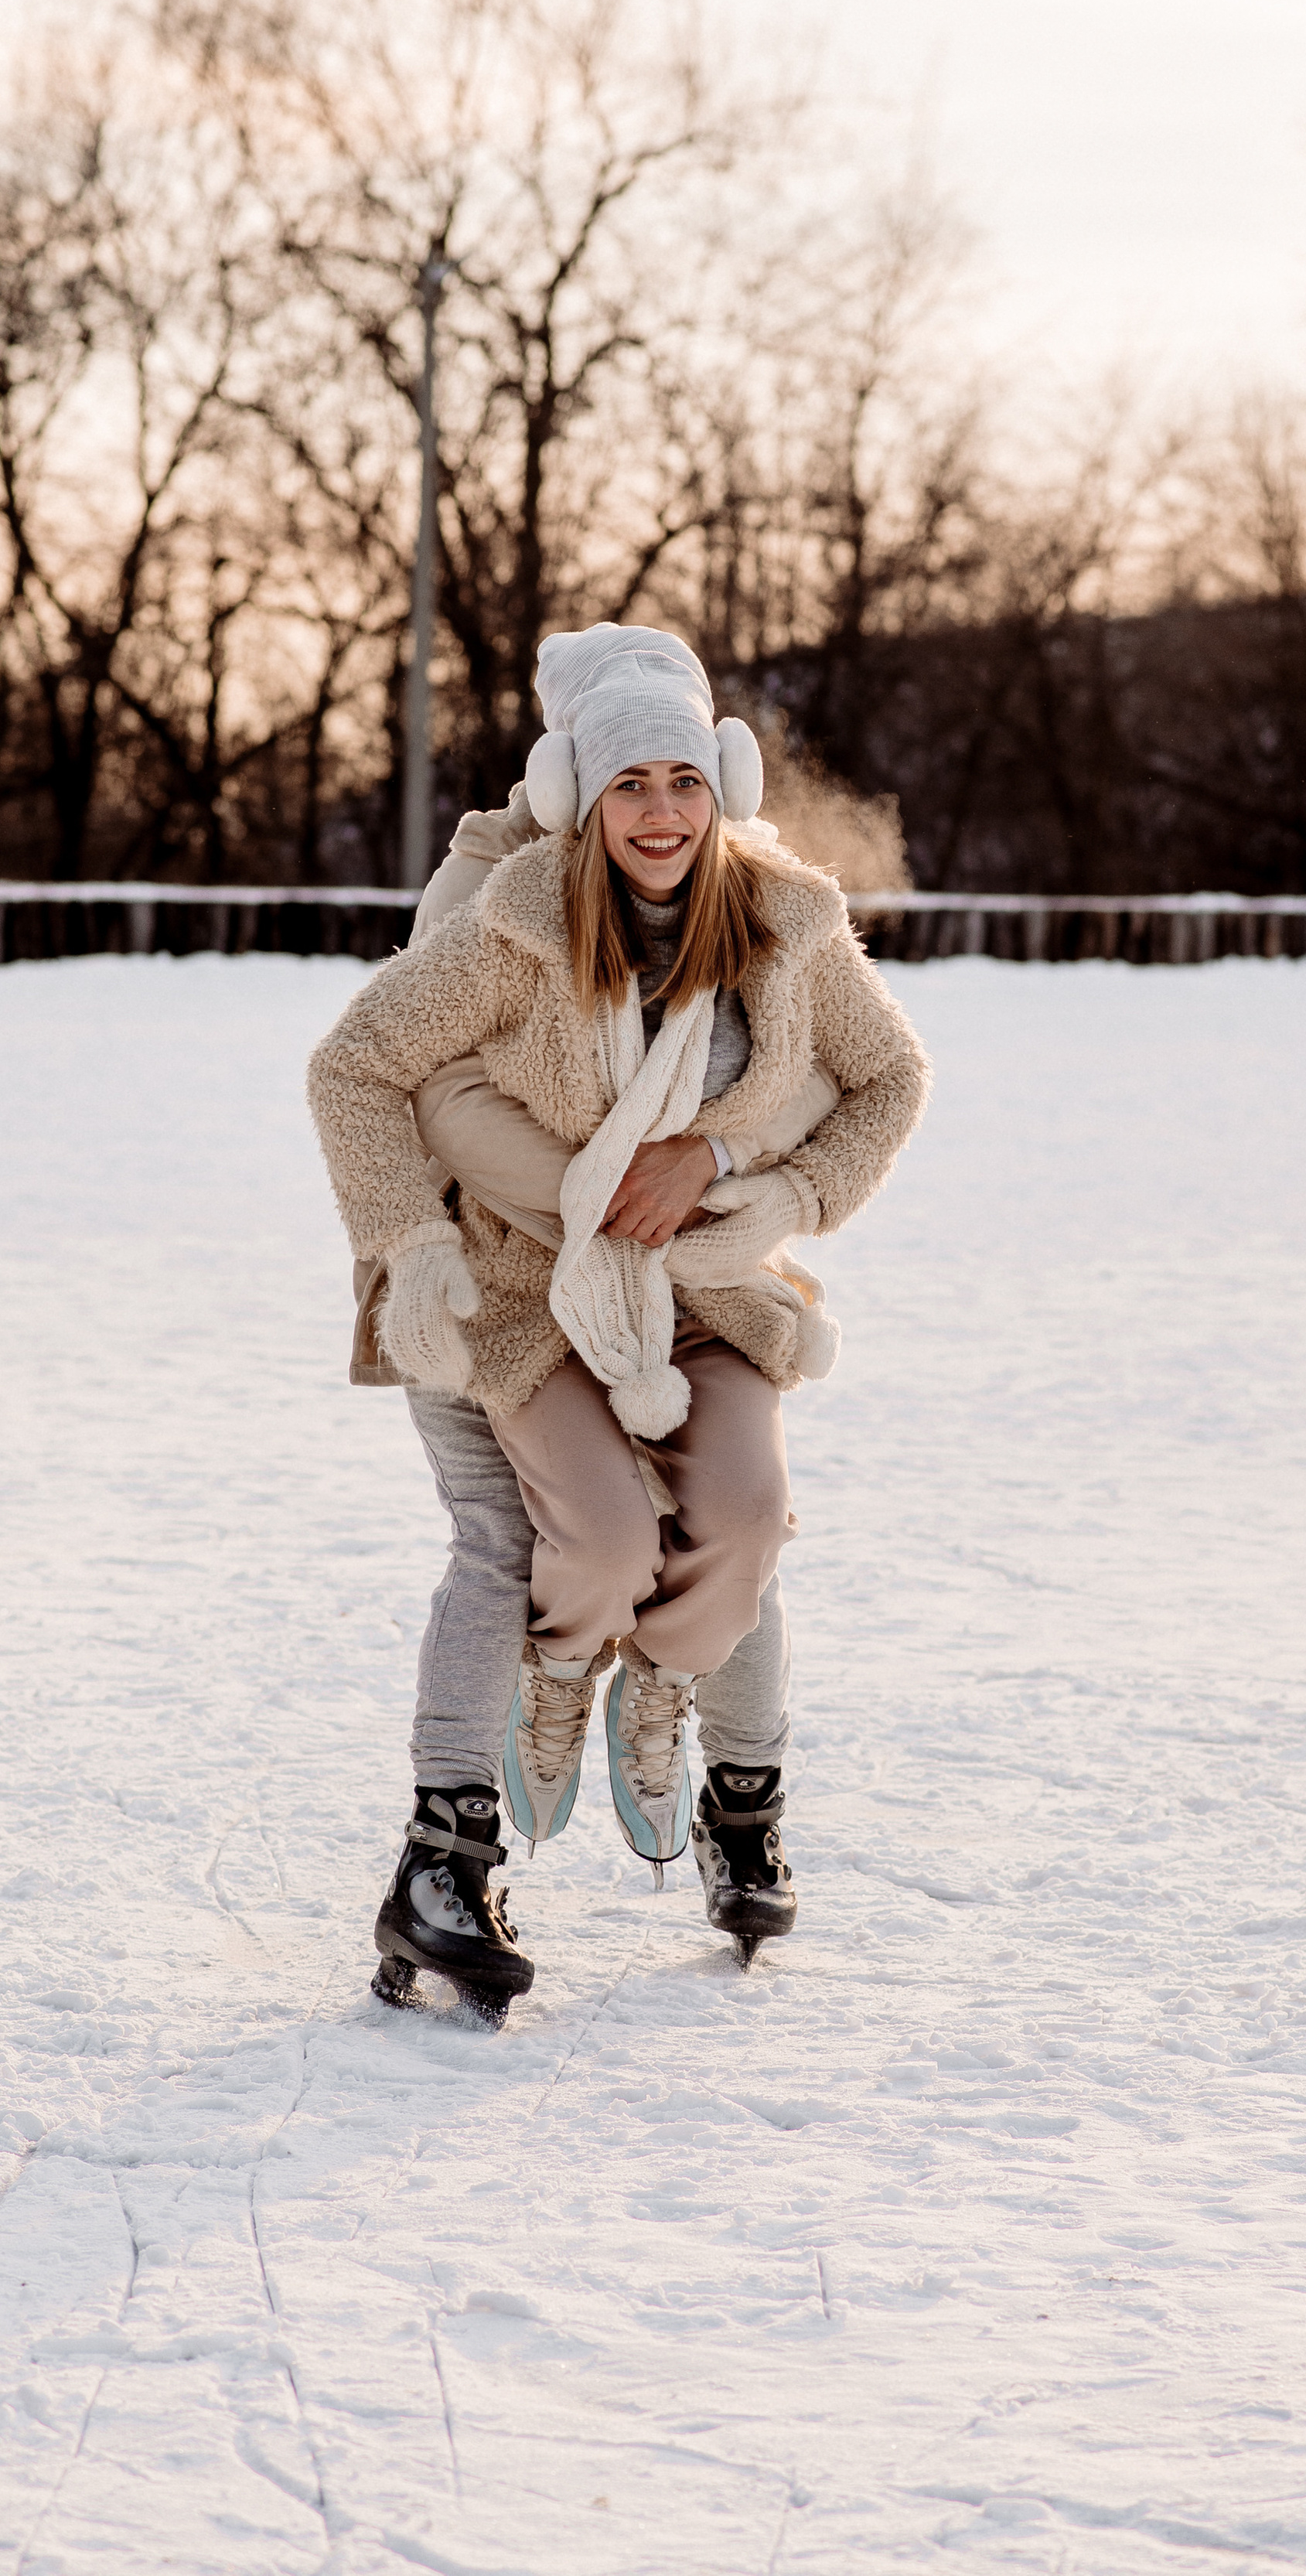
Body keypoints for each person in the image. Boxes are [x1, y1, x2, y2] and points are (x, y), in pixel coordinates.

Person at [307, 626, 929, 2018]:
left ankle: (684, 1709)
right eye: (628, 783)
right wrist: (409, 1246)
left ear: (723, 786)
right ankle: (511, 1759)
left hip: (707, 1291)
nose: (660, 811)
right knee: (582, 1542)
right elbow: (361, 1064)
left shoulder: (786, 923)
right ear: (578, 796)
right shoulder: (512, 916)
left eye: (683, 780)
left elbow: (890, 1079)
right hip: (526, 1296)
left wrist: (756, 1182)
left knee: (749, 1518)